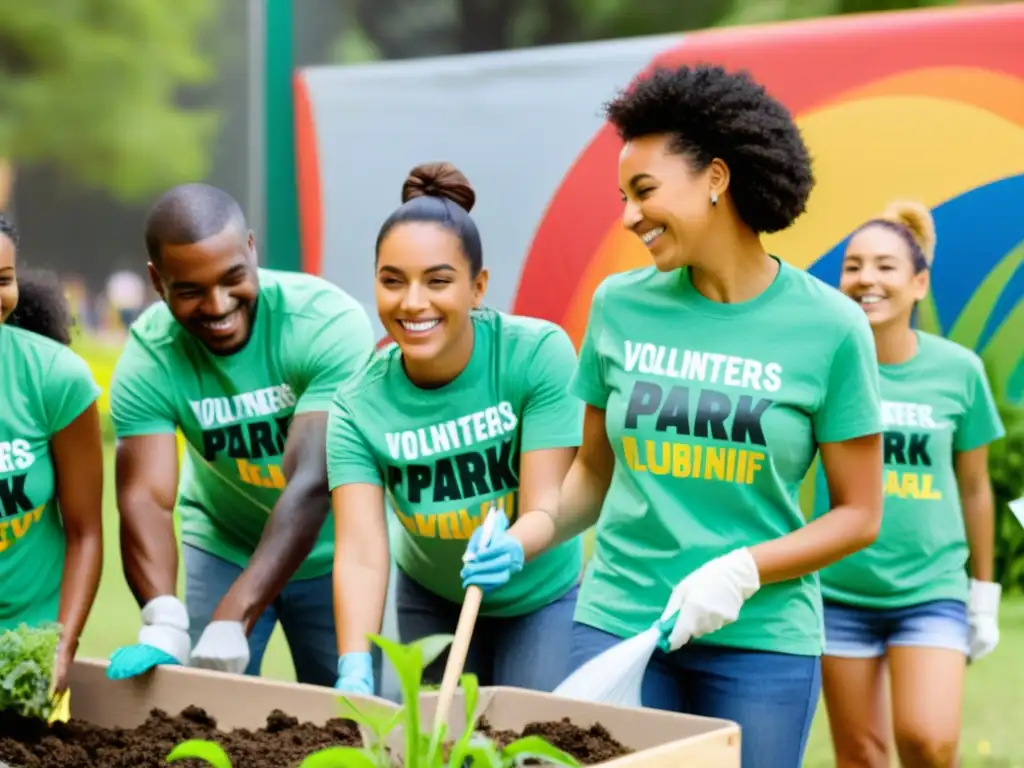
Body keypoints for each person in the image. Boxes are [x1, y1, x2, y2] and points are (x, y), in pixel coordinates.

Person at [461, 64, 886, 767]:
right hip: (621, 618)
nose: (629, 215)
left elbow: (858, 515)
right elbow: (589, 477)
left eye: (645, 191)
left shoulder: (832, 329)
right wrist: (525, 533)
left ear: (716, 178)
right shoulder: (619, 305)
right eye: (624, 195)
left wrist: (744, 570)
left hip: (761, 639)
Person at [104, 183, 379, 688]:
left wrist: (234, 615)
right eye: (189, 290)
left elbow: (313, 481)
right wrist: (162, 614)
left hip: (337, 549)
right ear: (156, 281)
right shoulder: (149, 358)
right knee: (210, 715)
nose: (218, 304)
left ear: (251, 249)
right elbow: (144, 496)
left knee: (352, 725)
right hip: (223, 543)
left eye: (233, 278)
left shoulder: (323, 325)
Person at [328, 162, 584, 695]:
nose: (413, 302)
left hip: (538, 593)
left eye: (438, 281)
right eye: (392, 281)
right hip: (431, 597)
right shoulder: (356, 405)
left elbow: (544, 508)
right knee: (438, 748)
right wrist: (355, 663)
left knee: (528, 746)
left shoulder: (536, 356)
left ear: (477, 287)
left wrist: (512, 547)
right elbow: (359, 551)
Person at [814, 201, 1006, 768]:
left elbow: (975, 487)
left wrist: (983, 594)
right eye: (853, 266)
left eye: (885, 266)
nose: (866, 279)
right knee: (862, 756)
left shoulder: (958, 371)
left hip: (930, 591)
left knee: (928, 740)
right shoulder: (824, 370)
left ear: (919, 282)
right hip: (837, 595)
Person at [0, 212, 104, 694]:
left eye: (3, 280)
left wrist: (61, 648)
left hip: (27, 656)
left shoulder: (55, 379)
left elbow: (85, 531)